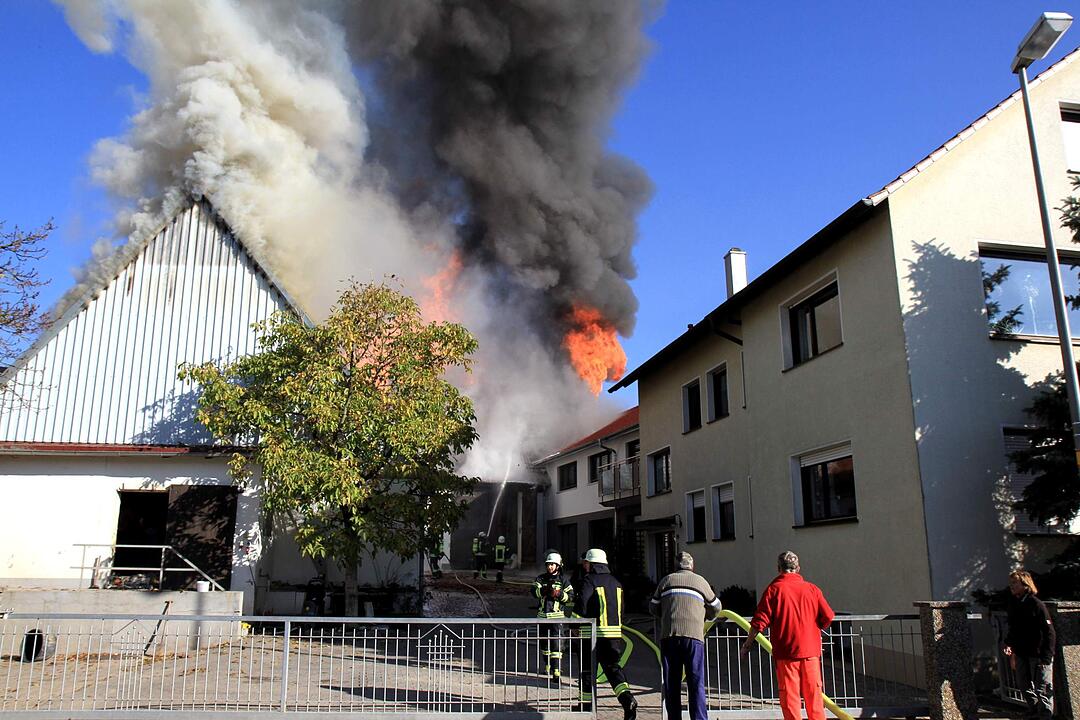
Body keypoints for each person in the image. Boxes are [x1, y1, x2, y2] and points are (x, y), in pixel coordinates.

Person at [740, 551, 834, 720]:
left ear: (779, 568)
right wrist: (812, 629)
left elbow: (759, 622)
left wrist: (747, 645)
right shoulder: (812, 589)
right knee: (814, 697)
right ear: (798, 568)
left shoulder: (774, 590)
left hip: (786, 653)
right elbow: (828, 616)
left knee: (790, 698)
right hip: (810, 653)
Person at [650, 551, 721, 720]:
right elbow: (716, 607)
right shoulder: (701, 582)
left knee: (672, 683)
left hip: (669, 636)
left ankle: (674, 717)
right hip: (694, 637)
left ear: (675, 566)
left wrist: (666, 615)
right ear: (692, 566)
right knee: (696, 682)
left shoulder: (666, 581)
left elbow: (653, 607)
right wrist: (705, 616)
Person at [574, 548, 638, 720]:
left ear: (592, 564)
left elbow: (582, 606)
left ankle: (586, 707)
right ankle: (627, 700)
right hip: (613, 635)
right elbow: (622, 610)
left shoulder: (589, 580)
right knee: (613, 669)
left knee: (587, 671)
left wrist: (573, 625)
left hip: (592, 635)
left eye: (586, 563)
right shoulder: (616, 583)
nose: (585, 566)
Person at [1003, 569, 1056, 719]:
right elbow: (1014, 628)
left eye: (1015, 583)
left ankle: (1045, 715)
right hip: (1021, 651)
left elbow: (1049, 632)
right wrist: (1009, 643)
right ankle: (1034, 710)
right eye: (1011, 583)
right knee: (1023, 684)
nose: (1012, 586)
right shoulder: (1015, 604)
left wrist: (1047, 656)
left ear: (1025, 584)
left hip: (1038, 653)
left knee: (1042, 688)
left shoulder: (1036, 604)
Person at [533, 550, 573, 681]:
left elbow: (571, 597)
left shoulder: (564, 581)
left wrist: (559, 594)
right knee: (544, 645)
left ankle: (556, 671)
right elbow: (533, 592)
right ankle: (547, 665)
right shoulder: (541, 579)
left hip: (557, 618)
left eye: (552, 564)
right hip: (542, 617)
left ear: (558, 565)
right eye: (548, 564)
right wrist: (543, 590)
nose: (550, 567)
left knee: (557, 644)